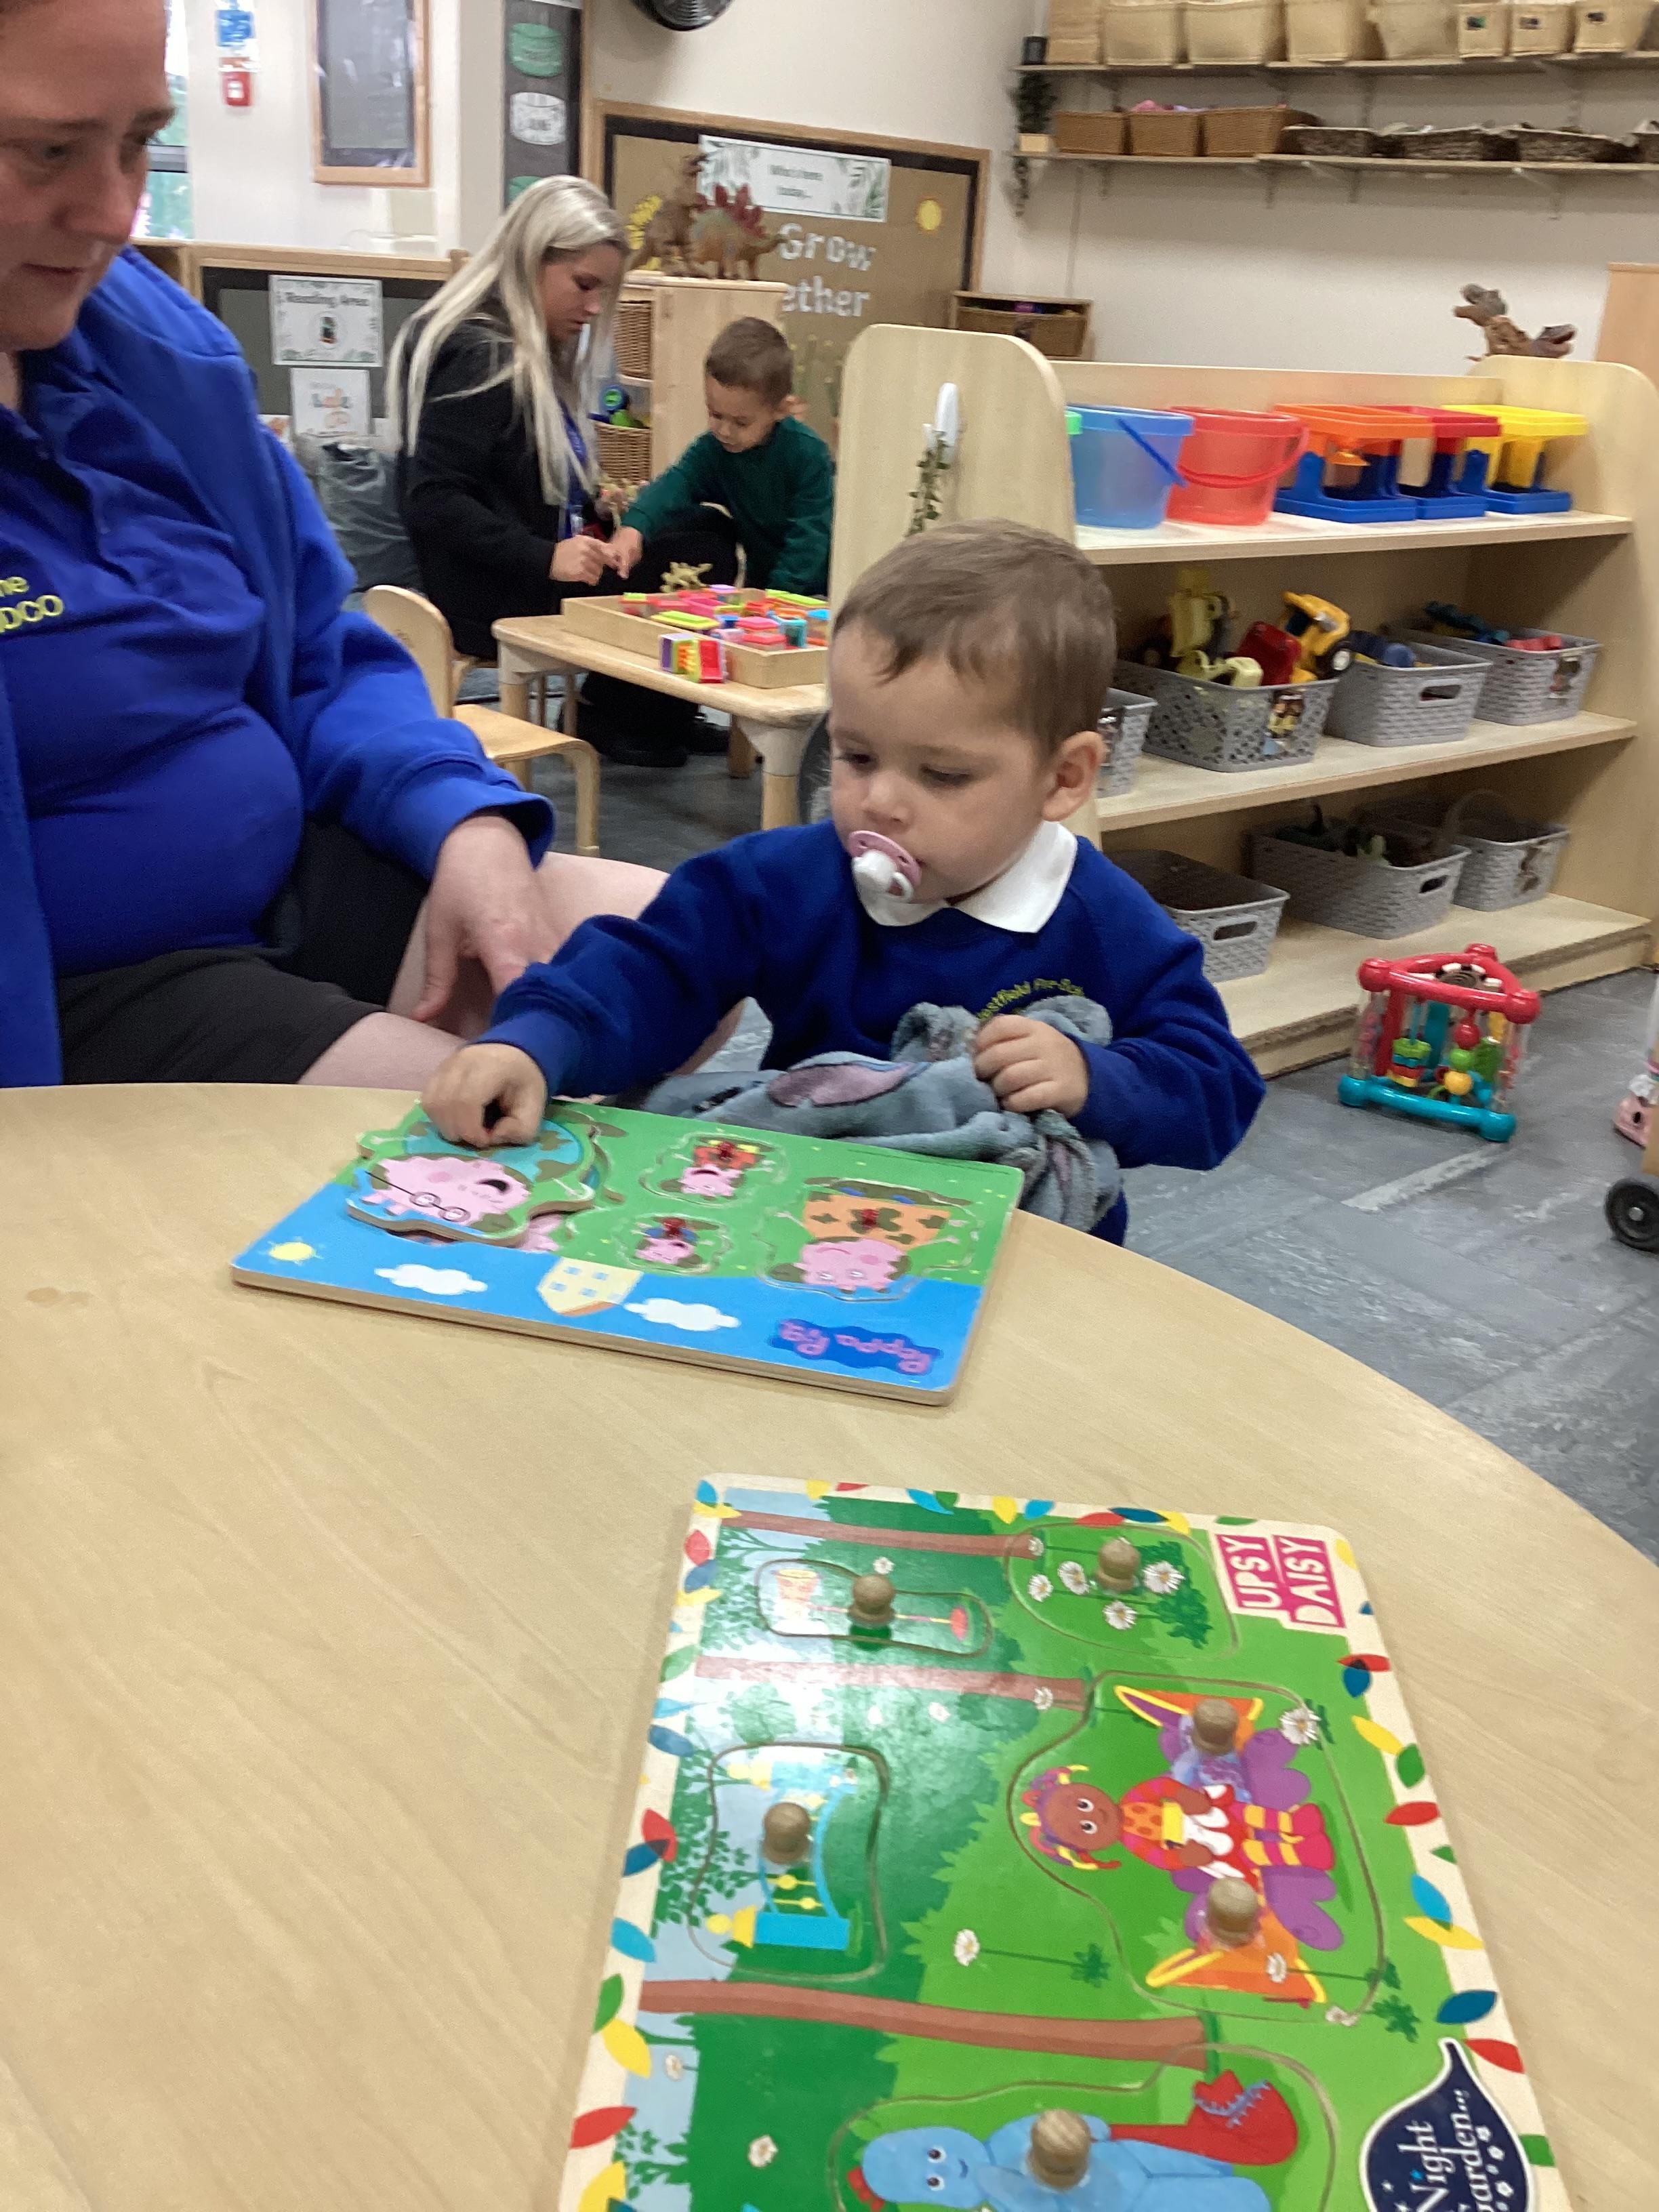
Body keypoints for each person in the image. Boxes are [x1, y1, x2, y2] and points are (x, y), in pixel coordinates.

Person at [0, 0, 663, 1092]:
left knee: (680, 952)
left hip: (293, 874)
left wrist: (463, 818)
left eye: (141, 142)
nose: (117, 212)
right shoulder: (479, 355)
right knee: (494, 1128)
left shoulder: (166, 366)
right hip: (86, 989)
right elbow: (443, 507)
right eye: (47, 152)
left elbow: (319, 648)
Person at [421, 522, 1265, 1244]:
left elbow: (1218, 1089)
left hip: (1017, 1255)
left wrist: (1097, 1079)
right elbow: (654, 968)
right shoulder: (785, 877)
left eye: (942, 775)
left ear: (1064, 778)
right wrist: (534, 1042)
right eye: (857, 756)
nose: (880, 802)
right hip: (798, 1226)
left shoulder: (1104, 921)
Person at [393, 180, 736, 769]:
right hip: (494, 594)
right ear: (533, 259)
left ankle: (657, 713)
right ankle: (615, 713)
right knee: (707, 549)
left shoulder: (505, 342)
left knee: (699, 525)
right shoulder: (486, 355)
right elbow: (432, 499)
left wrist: (594, 507)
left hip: (508, 573)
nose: (595, 307)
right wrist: (546, 556)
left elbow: (505, 479)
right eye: (584, 285)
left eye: (603, 290)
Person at [609, 316, 835, 598]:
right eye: (716, 415)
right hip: (761, 590)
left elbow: (809, 540)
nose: (725, 431)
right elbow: (676, 484)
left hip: (813, 595)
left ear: (781, 410)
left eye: (741, 422)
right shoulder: (713, 450)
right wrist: (634, 528)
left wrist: (776, 596)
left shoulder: (808, 455)